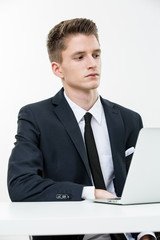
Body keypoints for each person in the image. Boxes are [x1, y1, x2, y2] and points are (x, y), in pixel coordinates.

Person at [7, 18, 157, 240]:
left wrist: (146, 232)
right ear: (57, 69)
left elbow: (141, 190)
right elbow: (20, 185)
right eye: (79, 57)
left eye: (96, 54)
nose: (92, 63)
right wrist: (88, 193)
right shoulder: (35, 117)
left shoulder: (129, 119)